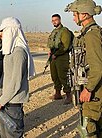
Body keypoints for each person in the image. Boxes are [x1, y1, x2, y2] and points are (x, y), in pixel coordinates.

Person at [0, 17, 35, 138]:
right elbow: (5, 76)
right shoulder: (9, 51)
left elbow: (15, 83)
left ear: (11, 31)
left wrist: (0, 103)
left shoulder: (19, 53)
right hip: (5, 101)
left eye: (3, 31)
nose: (0, 35)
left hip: (13, 104)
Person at [65, 0, 102, 137]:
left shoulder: (92, 35)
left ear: (85, 15)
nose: (73, 18)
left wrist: (88, 89)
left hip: (94, 92)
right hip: (90, 89)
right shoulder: (86, 33)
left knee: (88, 130)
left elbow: (97, 68)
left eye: (75, 14)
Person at [47, 14, 73, 104]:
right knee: (55, 76)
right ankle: (57, 93)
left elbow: (65, 46)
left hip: (62, 57)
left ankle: (69, 95)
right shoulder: (54, 32)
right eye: (53, 20)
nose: (54, 22)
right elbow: (52, 43)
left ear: (60, 20)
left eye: (56, 20)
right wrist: (50, 52)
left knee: (63, 76)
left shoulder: (64, 31)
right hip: (53, 57)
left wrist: (56, 54)